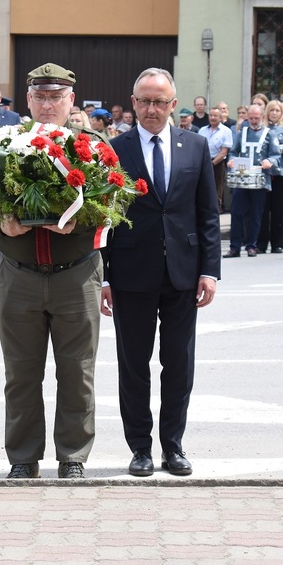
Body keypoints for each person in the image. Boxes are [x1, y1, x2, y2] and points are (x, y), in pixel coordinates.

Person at [0, 63, 102, 481]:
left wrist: (85, 217)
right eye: (40, 97)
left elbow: (119, 200)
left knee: (77, 371)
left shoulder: (90, 146)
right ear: (27, 100)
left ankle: (73, 455)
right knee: (21, 373)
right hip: (19, 274)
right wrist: (0, 220)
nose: (47, 105)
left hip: (75, 274)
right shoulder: (3, 144)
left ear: (70, 101)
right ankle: (23, 456)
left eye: (55, 97)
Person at [101, 67, 220, 477]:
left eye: (160, 101)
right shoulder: (114, 149)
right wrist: (105, 276)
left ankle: (174, 446)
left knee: (179, 363)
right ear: (133, 104)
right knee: (133, 366)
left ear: (173, 105)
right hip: (132, 273)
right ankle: (140, 449)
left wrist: (210, 271)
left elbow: (208, 213)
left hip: (184, 273)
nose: (152, 109)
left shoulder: (196, 146)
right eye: (144, 101)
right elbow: (106, 218)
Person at [224, 104, 281, 258]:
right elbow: (233, 152)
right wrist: (231, 161)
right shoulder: (241, 133)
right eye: (251, 118)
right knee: (236, 213)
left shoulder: (270, 134)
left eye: (256, 118)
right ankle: (235, 246)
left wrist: (269, 161)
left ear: (262, 117)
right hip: (241, 178)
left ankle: (252, 245)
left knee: (256, 214)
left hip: (259, 179)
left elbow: (276, 156)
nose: (254, 121)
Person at [257, 100, 283, 254]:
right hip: (264, 173)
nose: (274, 113)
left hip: (280, 173)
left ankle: (277, 243)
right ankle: (261, 243)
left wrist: (273, 148)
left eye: (277, 111)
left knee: (279, 210)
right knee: (263, 210)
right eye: (271, 110)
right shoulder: (262, 129)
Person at [198, 106, 233, 213]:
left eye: (215, 116)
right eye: (211, 115)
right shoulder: (202, 130)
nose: (213, 118)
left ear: (221, 117)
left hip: (217, 163)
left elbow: (224, 152)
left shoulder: (226, 131)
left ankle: (216, 211)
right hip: (202, 163)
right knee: (203, 189)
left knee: (217, 190)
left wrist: (212, 164)